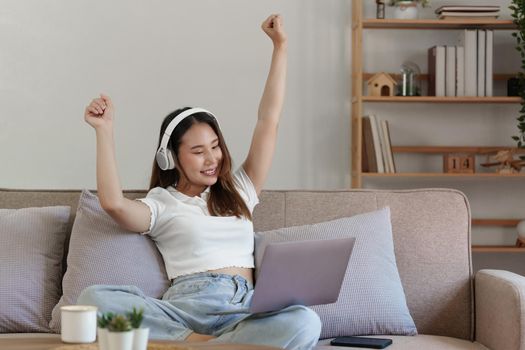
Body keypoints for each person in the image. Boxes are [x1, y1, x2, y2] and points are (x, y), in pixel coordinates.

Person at [78, 14, 322, 350]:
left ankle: (211, 345)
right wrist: (104, 132)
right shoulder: (161, 202)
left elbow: (269, 120)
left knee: (305, 320)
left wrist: (280, 47)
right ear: (171, 158)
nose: (212, 159)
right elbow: (113, 204)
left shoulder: (240, 190)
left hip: (242, 311)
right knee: (93, 300)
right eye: (197, 151)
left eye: (215, 146)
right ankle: (204, 343)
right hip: (183, 312)